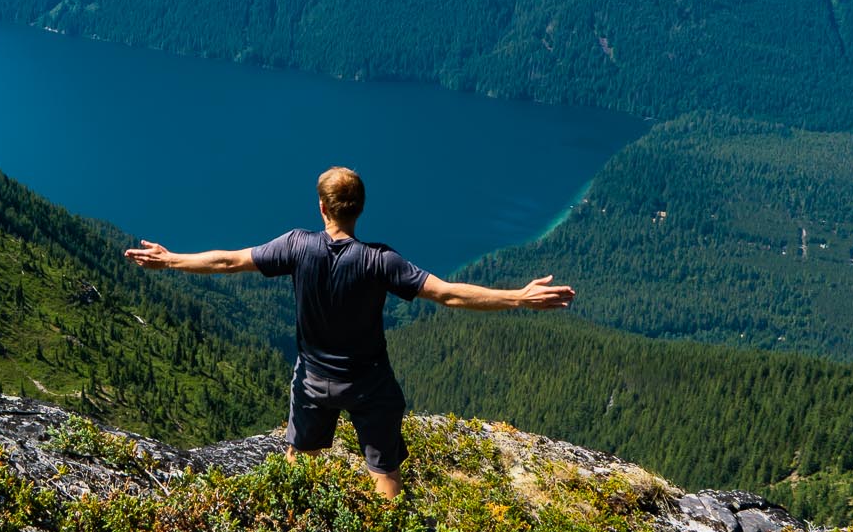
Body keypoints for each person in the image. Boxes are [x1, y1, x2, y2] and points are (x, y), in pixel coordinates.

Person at [124, 165, 574, 498]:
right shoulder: (381, 261)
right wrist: (519, 297)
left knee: (299, 461)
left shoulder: (297, 246)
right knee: (384, 473)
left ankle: (292, 529)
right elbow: (450, 295)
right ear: (359, 209)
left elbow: (228, 261)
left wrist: (170, 259)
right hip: (368, 383)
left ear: (322, 208)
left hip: (313, 382)